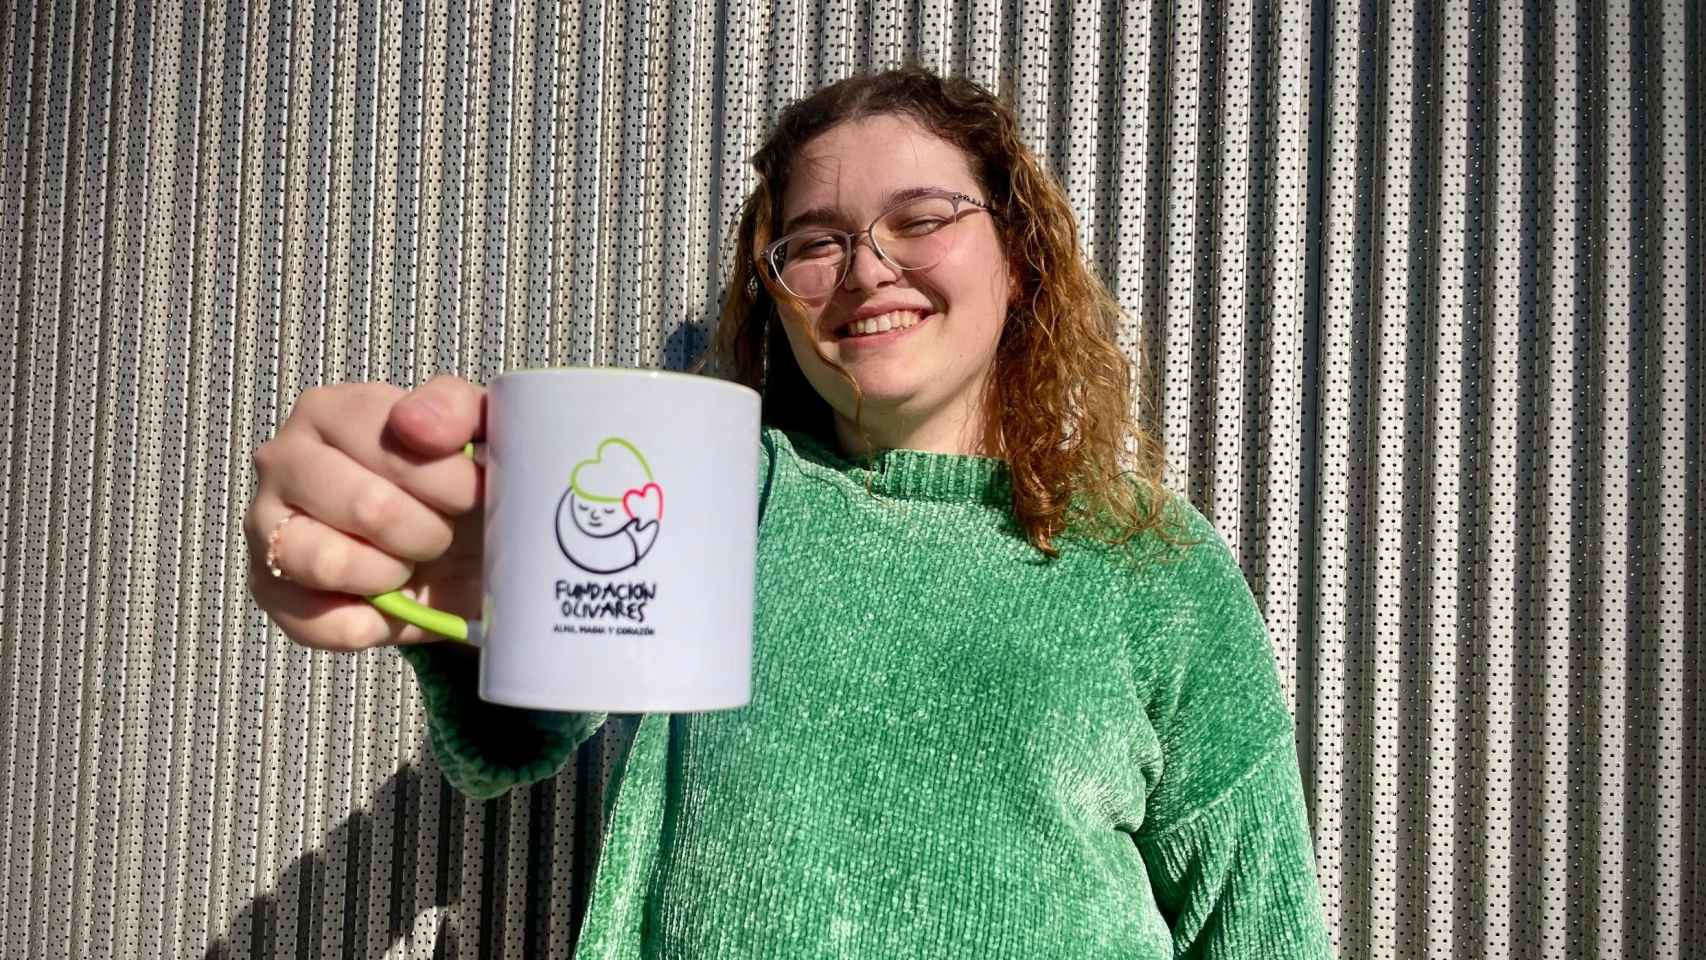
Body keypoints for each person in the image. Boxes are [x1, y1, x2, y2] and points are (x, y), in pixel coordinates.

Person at [247, 66, 1333, 958]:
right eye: (814, 241)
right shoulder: (722, 498)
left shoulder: (1148, 559)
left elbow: (1258, 927)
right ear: (772, 288)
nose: (865, 269)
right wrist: (464, 600)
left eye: (920, 218)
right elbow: (526, 726)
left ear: (1017, 254)